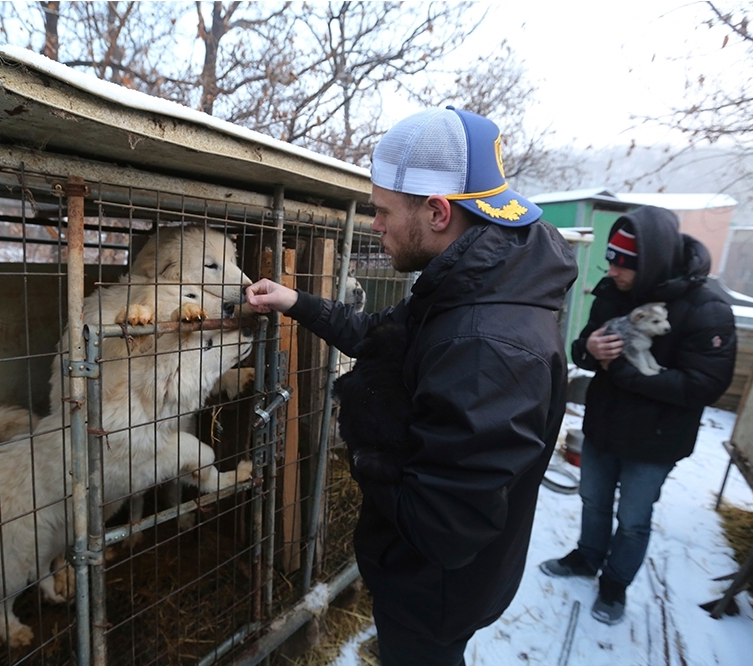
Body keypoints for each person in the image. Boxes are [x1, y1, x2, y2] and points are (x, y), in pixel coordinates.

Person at [245, 107, 578, 666]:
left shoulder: (487, 344)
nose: (374, 224)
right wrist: (295, 301)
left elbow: (444, 527)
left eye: (381, 211)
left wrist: (364, 426)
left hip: (435, 594)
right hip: (429, 577)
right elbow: (381, 335)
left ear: (438, 211)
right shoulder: (469, 286)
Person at [540, 206, 737, 625]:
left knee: (632, 519)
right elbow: (582, 350)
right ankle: (587, 556)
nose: (612, 271)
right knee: (592, 500)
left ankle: (614, 585)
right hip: (603, 428)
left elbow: (704, 385)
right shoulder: (614, 293)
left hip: (655, 441)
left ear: (651, 263)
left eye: (622, 264)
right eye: (611, 260)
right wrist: (588, 351)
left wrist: (625, 373)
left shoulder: (707, 307)